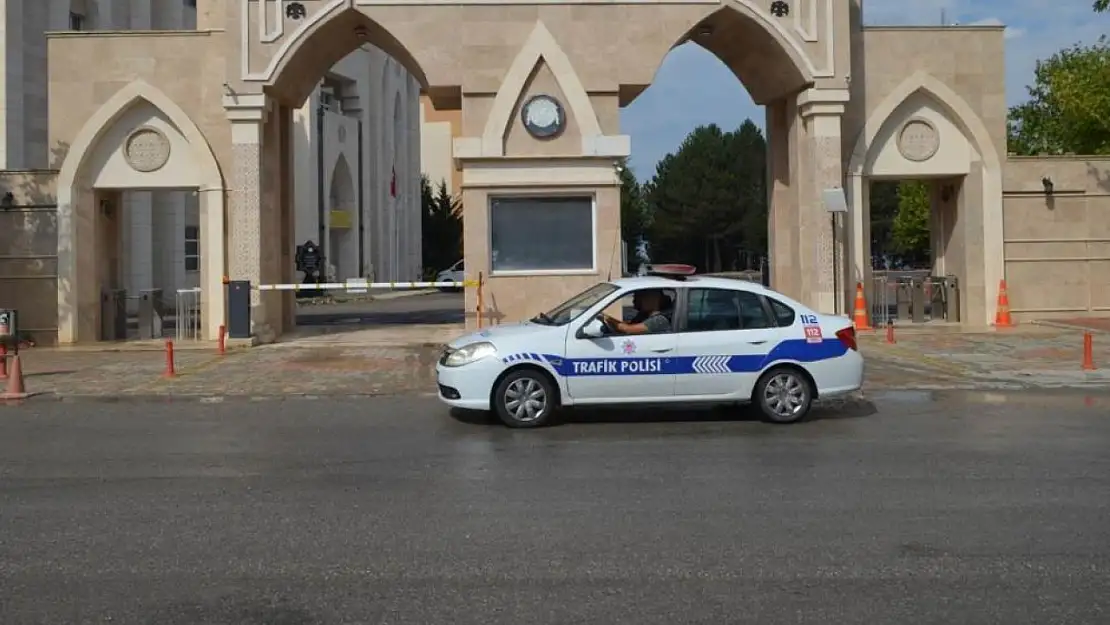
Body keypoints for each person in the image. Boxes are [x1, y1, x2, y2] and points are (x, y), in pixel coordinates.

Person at [601, 289, 671, 334]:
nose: (634, 301)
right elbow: (630, 324)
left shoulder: (659, 319)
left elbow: (628, 329)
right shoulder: (644, 314)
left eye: (638, 297)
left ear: (652, 299)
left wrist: (609, 319)